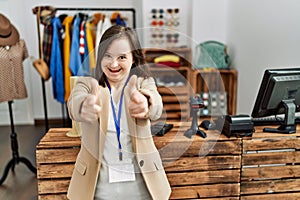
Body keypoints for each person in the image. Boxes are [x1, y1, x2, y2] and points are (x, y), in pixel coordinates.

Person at [67, 25, 171, 200]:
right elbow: (74, 103)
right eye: (107, 56)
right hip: (98, 191)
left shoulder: (143, 83)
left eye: (122, 57)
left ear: (133, 59)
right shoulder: (87, 83)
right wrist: (83, 106)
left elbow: (156, 104)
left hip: (144, 191)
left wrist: (145, 103)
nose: (113, 64)